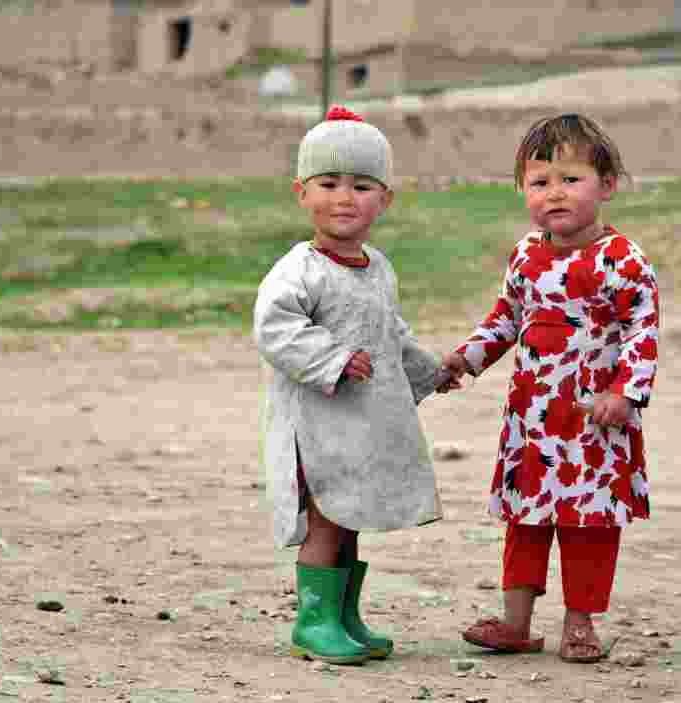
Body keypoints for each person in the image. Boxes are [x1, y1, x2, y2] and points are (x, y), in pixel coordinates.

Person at [437, 114, 659, 663]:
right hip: (532, 422)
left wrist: (625, 394)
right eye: (540, 183)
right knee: (525, 520)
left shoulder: (623, 260)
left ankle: (579, 624)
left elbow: (642, 330)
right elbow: (506, 318)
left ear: (606, 185)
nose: (554, 193)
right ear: (523, 192)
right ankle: (516, 623)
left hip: (593, 424)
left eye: (570, 179)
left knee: (589, 524)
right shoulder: (526, 256)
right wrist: (466, 358)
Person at [254, 105, 453, 665]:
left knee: (350, 516)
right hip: (318, 421)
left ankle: (344, 615)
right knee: (327, 516)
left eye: (362, 186)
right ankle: (312, 624)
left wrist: (429, 371)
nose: (345, 198)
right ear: (302, 193)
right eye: (329, 183)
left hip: (362, 422)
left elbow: (389, 332)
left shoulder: (379, 267)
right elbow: (275, 329)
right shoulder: (300, 270)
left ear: (384, 199)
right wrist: (333, 359)